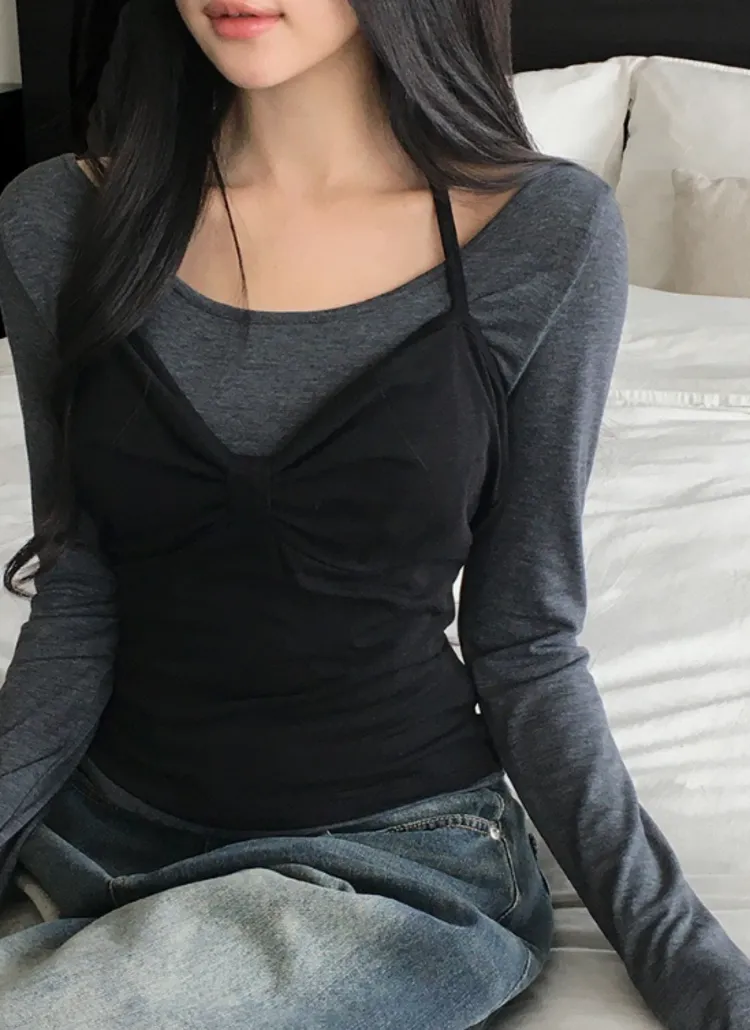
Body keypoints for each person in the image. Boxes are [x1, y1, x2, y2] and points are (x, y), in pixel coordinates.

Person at [0, 0, 747, 1027]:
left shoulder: (545, 233)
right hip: (103, 836)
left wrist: (692, 963)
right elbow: (78, 599)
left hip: (395, 865)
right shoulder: (58, 219)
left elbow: (526, 642)